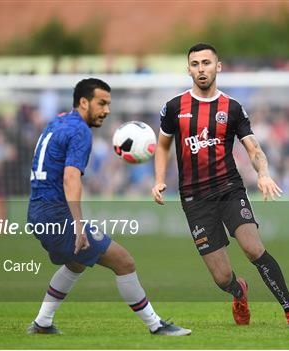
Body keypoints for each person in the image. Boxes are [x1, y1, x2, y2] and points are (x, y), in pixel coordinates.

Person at [152, 44, 289, 329]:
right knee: (222, 277)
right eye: (195, 64)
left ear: (218, 67)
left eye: (206, 63)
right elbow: (162, 145)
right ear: (189, 69)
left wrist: (263, 173)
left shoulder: (232, 108)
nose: (201, 69)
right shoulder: (174, 107)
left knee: (252, 248)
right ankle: (239, 291)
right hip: (194, 198)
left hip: (229, 188)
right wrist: (160, 179)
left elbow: (253, 147)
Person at [27, 78, 191, 336]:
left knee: (76, 264)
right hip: (56, 215)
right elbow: (70, 178)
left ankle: (42, 323)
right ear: (83, 102)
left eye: (109, 104)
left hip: (37, 211)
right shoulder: (80, 131)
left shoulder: (58, 121)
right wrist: (78, 225)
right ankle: (156, 325)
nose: (107, 110)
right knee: (124, 262)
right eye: (101, 103)